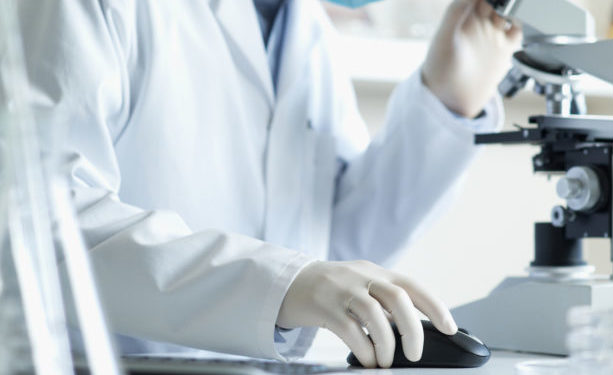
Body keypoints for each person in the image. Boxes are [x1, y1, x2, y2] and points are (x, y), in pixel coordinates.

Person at [16, 0, 519, 369]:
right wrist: (284, 285)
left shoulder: (305, 29)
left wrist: (447, 103)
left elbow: (330, 250)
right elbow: (39, 228)